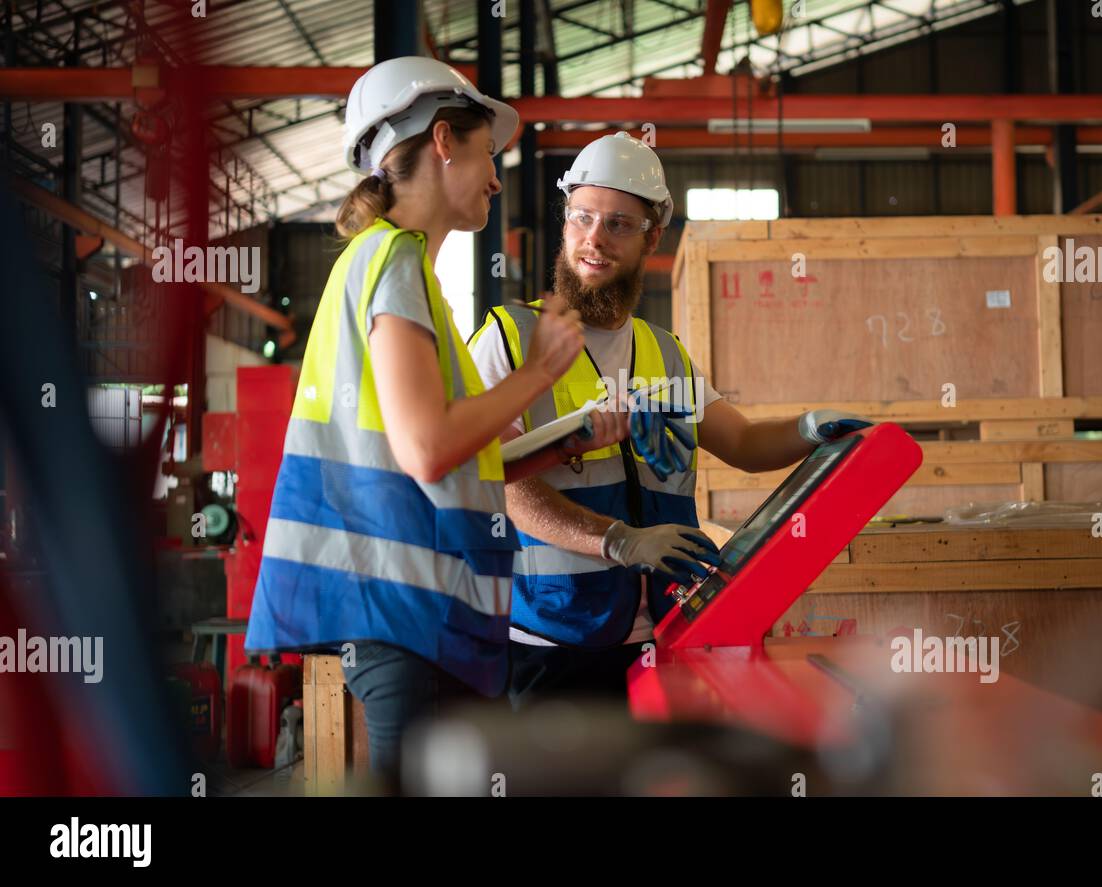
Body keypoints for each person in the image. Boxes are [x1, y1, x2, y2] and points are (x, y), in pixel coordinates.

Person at [242, 57, 624, 783]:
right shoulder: (393, 263)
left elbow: (459, 455)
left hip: (405, 612)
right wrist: (537, 372)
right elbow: (426, 449)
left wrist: (562, 441)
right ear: (443, 140)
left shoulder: (397, 269)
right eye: (487, 153)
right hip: (397, 607)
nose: (495, 177)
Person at [468, 131, 869, 708]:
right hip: (550, 642)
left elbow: (746, 442)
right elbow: (502, 485)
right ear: (564, 222)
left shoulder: (666, 352)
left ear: (652, 236)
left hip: (666, 631)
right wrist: (619, 542)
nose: (594, 240)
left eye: (619, 224)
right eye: (582, 217)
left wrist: (809, 427)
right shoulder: (507, 339)